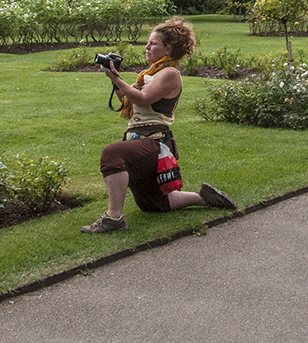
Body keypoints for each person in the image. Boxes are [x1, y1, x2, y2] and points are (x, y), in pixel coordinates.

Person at [83, 17, 236, 234]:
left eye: (153, 43)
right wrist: (114, 79)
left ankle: (113, 218)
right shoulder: (151, 73)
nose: (146, 47)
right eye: (147, 43)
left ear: (169, 48)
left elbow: (143, 99)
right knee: (153, 204)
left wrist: (117, 80)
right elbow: (128, 100)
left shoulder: (169, 74)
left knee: (112, 154)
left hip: (153, 141)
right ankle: (204, 198)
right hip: (140, 141)